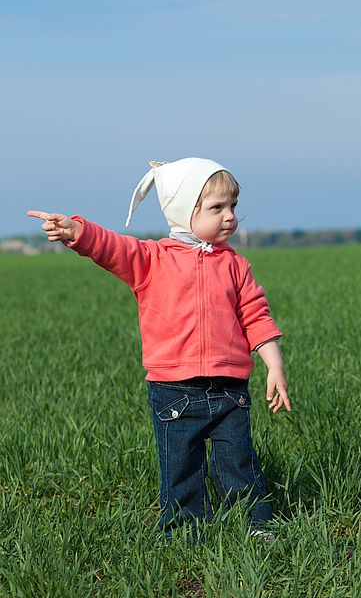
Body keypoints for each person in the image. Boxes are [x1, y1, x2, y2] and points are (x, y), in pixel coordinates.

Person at [27, 158, 291, 541]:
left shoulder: (236, 266)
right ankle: (184, 532)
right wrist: (76, 231)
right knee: (180, 466)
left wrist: (275, 368)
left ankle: (256, 525)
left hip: (230, 389)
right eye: (217, 208)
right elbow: (109, 246)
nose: (230, 217)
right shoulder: (152, 260)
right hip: (174, 389)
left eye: (233, 206)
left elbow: (257, 318)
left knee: (239, 462)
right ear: (185, 211)